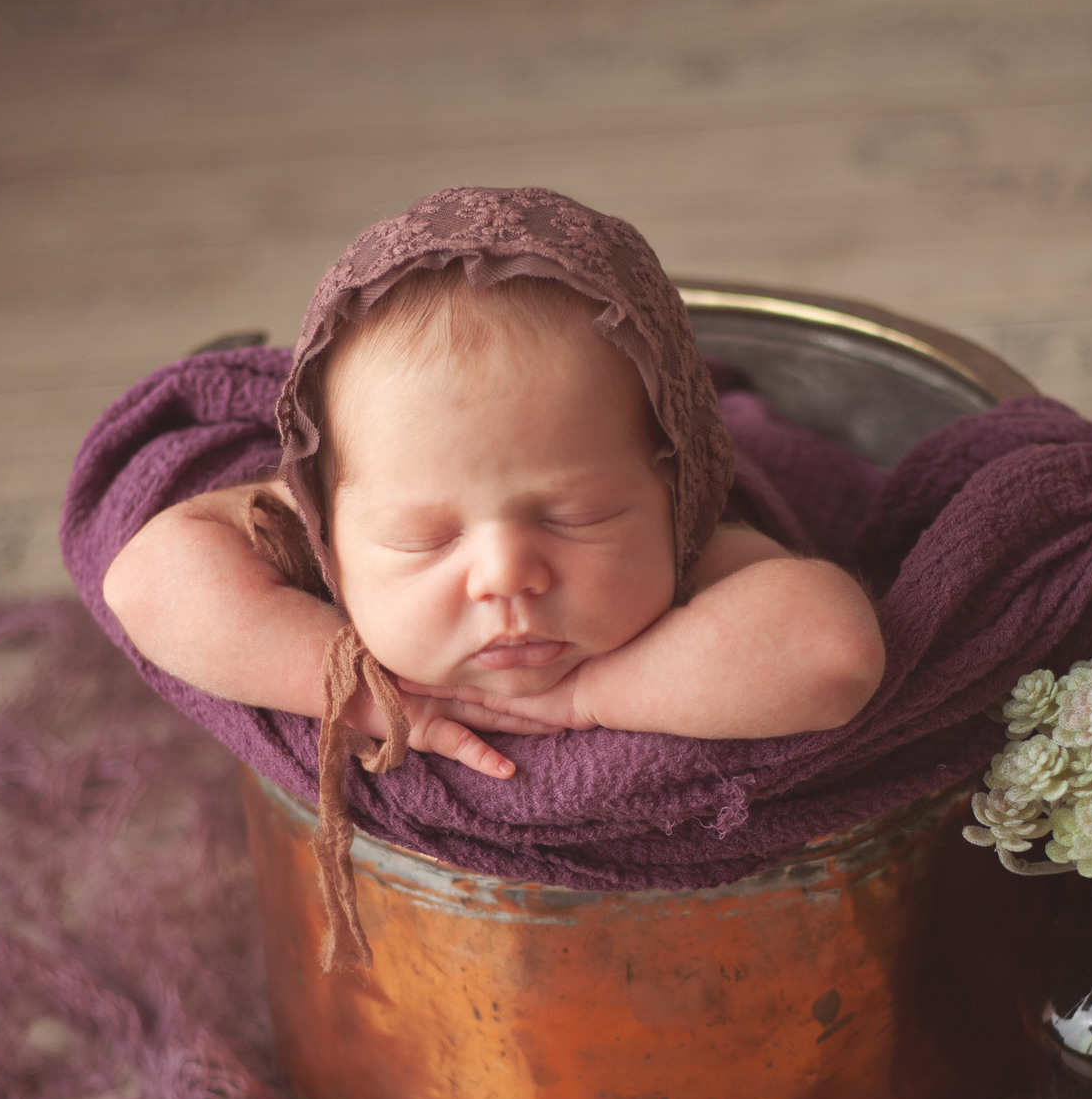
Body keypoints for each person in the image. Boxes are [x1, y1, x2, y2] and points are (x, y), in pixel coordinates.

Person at [101, 258, 886, 783]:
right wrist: (363, 691)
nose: (506, 573)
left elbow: (831, 651)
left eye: (578, 516)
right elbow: (146, 581)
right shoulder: (329, 519)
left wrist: (596, 694)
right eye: (427, 538)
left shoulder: (692, 539)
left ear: (675, 490)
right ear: (325, 524)